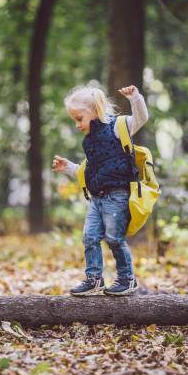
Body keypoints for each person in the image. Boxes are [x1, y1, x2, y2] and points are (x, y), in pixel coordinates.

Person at [52, 83, 149, 296]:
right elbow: (87, 172)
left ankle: (127, 279)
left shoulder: (117, 127)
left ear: (96, 110)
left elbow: (141, 118)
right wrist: (68, 167)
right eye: (74, 120)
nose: (77, 125)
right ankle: (94, 279)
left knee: (114, 238)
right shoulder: (90, 143)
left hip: (117, 196)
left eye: (79, 118)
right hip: (96, 198)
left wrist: (135, 99)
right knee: (89, 237)